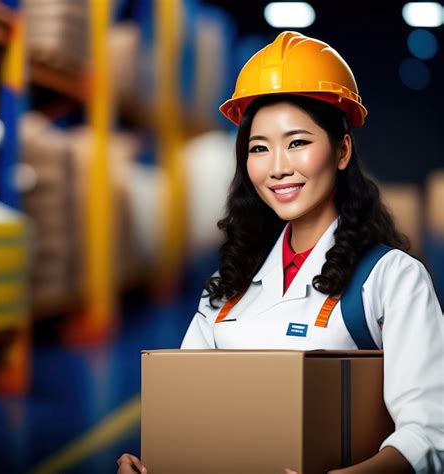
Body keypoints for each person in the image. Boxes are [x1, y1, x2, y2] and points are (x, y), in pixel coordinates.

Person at [117, 31, 444, 474]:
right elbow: (185, 418)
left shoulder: (390, 279)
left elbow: (429, 436)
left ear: (342, 150)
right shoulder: (225, 289)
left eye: (298, 142)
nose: (277, 167)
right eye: (259, 148)